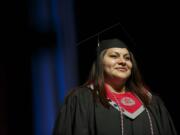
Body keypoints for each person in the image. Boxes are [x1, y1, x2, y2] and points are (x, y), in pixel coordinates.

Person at [53, 23, 177, 135]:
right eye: (114, 56)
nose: (123, 61)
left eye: (127, 58)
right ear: (100, 63)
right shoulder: (81, 100)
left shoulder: (152, 102)